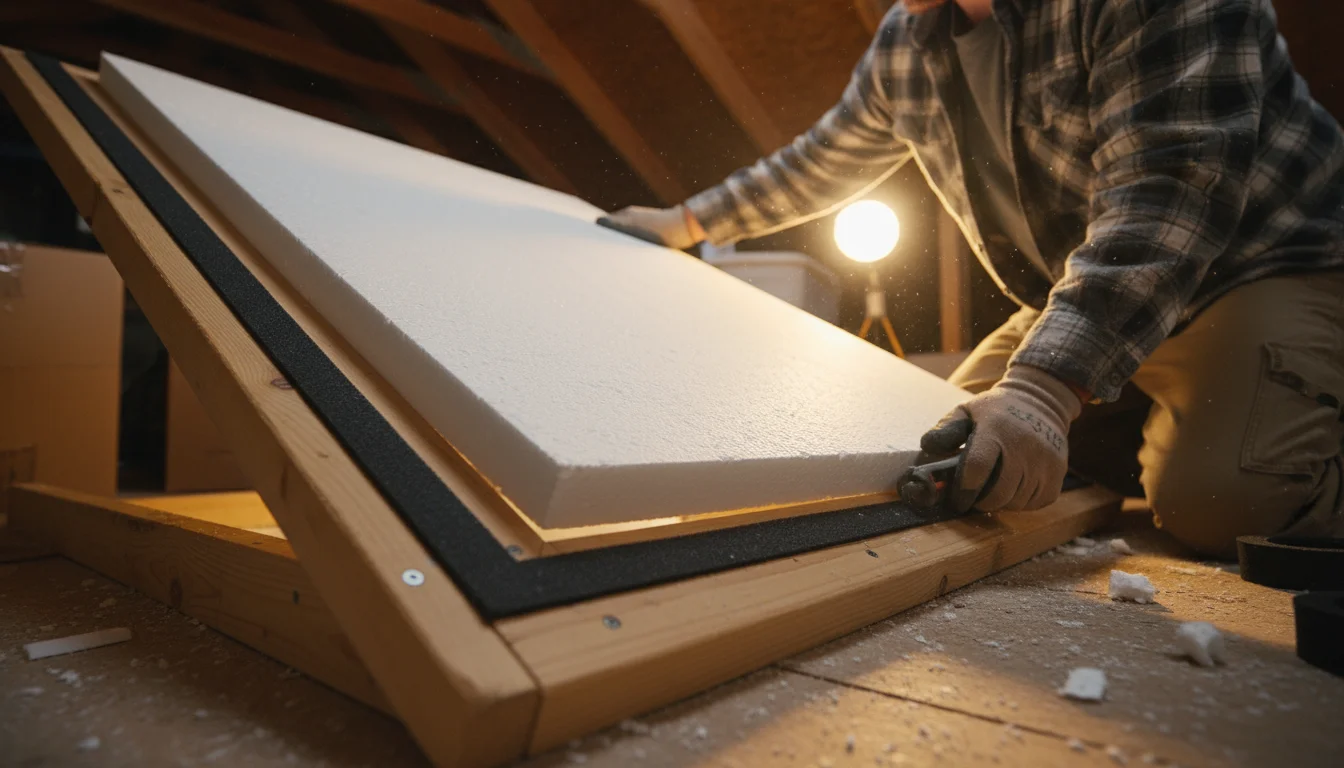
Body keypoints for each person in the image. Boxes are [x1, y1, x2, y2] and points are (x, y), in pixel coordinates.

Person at [605, 0, 1344, 558]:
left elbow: (1173, 190)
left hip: (1262, 269)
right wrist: (685, 223)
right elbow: (822, 159)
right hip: (1106, 291)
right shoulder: (910, 37)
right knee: (957, 456)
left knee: (1223, 503)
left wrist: (1042, 391)